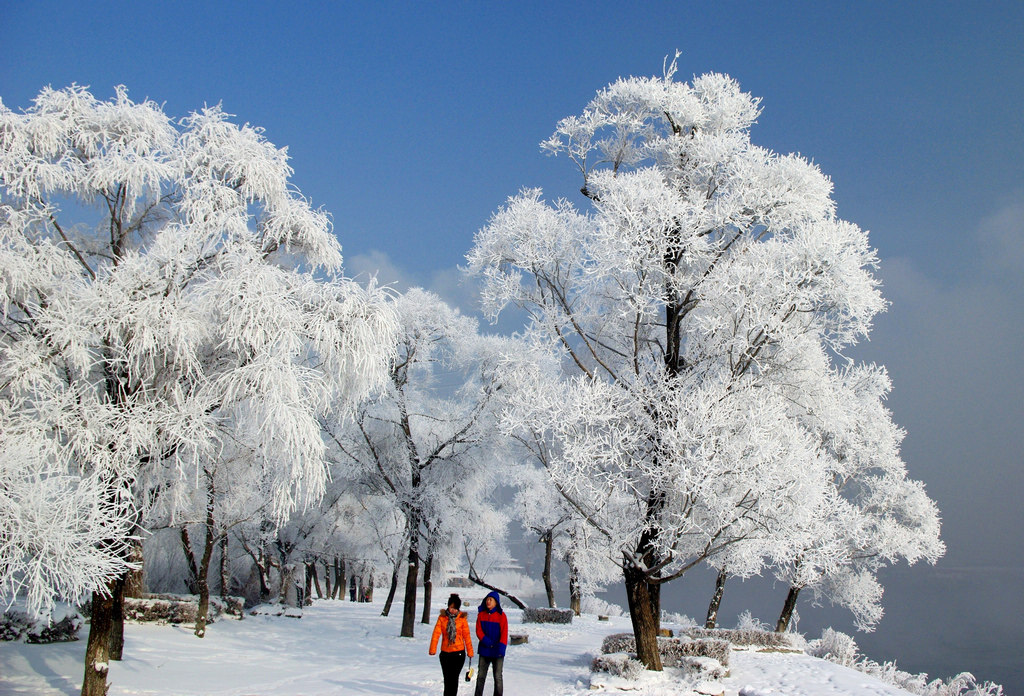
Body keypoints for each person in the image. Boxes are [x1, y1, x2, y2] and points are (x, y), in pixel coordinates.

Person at [429, 593, 474, 696]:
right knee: (447, 679)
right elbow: (436, 633)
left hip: (458, 654)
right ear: (448, 606)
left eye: (455, 608)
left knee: (453, 679)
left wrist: (470, 651)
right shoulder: (442, 618)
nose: (453, 610)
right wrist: (432, 649)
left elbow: (466, 636)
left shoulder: (462, 619)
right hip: (445, 654)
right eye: (451, 607)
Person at [474, 591, 508, 696]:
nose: (488, 602)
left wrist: (501, 649)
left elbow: (504, 633)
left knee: (498, 676)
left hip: (497, 651)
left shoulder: (501, 616)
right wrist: (487, 642)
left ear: (496, 602)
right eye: (487, 599)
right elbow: (478, 631)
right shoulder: (481, 614)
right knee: (480, 676)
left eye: (491, 600)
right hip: (485, 650)